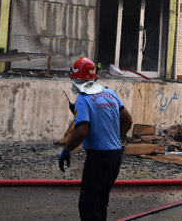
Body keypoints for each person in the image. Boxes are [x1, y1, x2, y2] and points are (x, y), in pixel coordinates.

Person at [57, 56, 133, 221]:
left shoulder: (83, 99)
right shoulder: (110, 94)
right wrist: (114, 137)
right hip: (115, 156)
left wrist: (66, 149)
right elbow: (128, 120)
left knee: (89, 205)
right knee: (101, 202)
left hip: (98, 159)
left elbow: (82, 130)